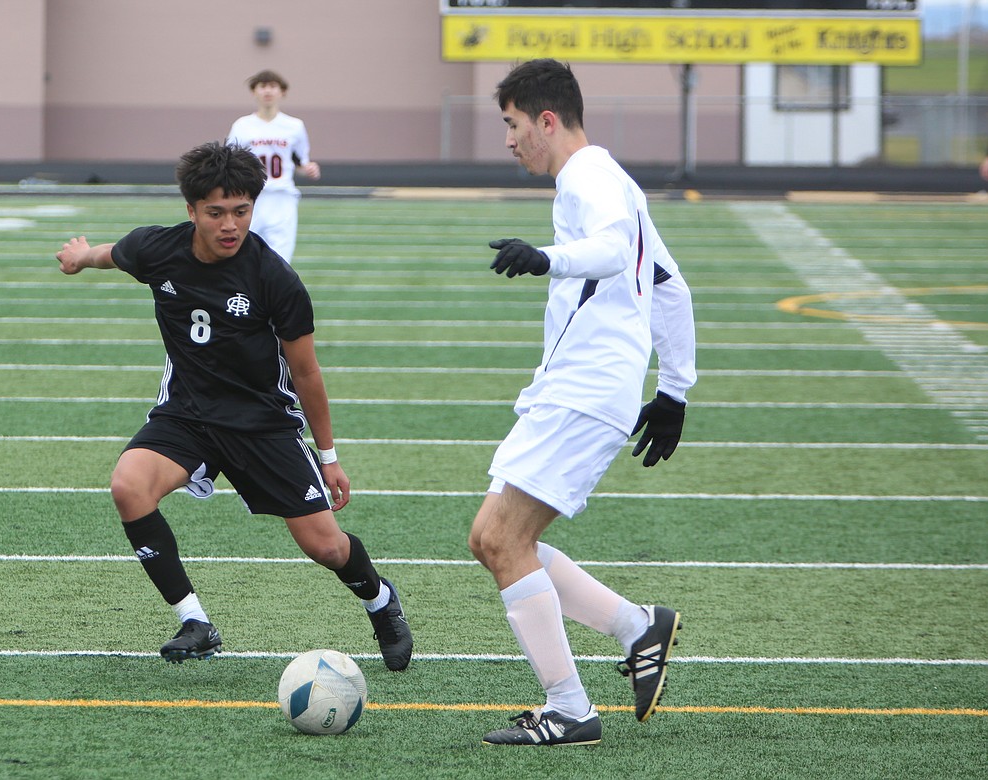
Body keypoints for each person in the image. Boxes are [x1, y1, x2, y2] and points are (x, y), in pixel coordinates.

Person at [54, 141, 412, 671]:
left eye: (241, 211)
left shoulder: (275, 279)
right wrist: (82, 257)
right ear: (191, 210)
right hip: (189, 416)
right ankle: (194, 620)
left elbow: (307, 372)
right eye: (215, 212)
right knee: (129, 484)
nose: (230, 225)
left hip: (262, 423)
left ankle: (381, 602)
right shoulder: (156, 249)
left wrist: (329, 453)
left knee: (326, 548)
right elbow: (112, 253)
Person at [467, 59, 697, 746]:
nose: (509, 140)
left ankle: (569, 708)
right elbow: (670, 286)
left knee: (503, 539)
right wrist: (674, 390)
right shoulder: (613, 181)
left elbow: (609, 248)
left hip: (587, 385)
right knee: (494, 538)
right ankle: (635, 626)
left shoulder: (588, 177)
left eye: (512, 125)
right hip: (583, 384)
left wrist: (546, 258)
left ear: (546, 119)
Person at [226, 70, 320, 264]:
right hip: (251, 198)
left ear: (282, 92)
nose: (267, 91)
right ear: (254, 92)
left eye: (272, 86)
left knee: (280, 261)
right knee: (244, 256)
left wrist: (308, 168)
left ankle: (273, 295)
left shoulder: (294, 126)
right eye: (262, 86)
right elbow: (230, 162)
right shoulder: (242, 125)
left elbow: (299, 163)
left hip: (282, 198)